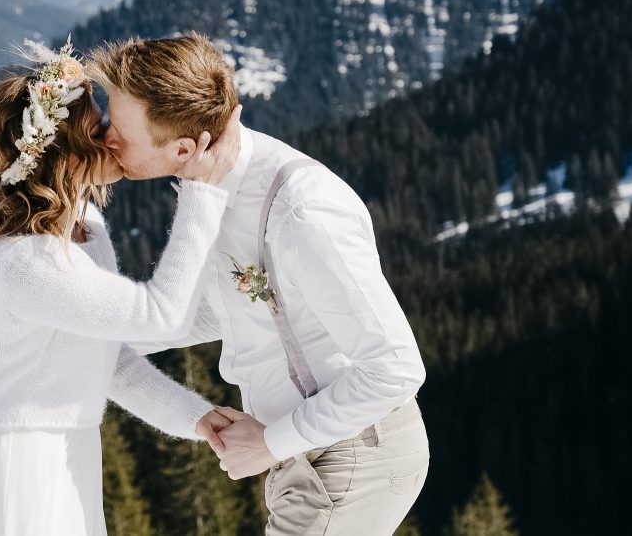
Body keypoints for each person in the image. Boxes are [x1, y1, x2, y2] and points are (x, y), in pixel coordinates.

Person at [86, 33, 430, 536]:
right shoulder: (215, 187)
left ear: (183, 147)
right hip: (306, 452)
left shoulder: (301, 211)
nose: (105, 136)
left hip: (353, 456)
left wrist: (272, 442)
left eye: (119, 128)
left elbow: (395, 370)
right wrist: (91, 336)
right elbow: (218, 308)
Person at [0, 37, 241, 536]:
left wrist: (195, 417)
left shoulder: (84, 223)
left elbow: (111, 361)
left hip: (67, 451)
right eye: (98, 128)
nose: (113, 135)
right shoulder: (24, 260)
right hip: (22, 460)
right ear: (65, 153)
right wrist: (201, 191)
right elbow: (162, 314)